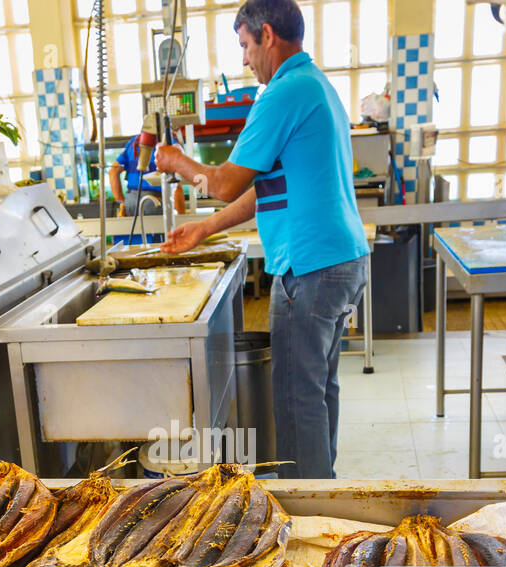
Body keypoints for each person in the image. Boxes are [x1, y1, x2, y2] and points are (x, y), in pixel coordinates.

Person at [156, 0, 368, 480]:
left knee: (296, 394)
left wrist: (177, 162)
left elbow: (226, 182)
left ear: (267, 35)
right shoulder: (316, 85)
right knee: (318, 388)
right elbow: (264, 189)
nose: (245, 60)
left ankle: (306, 500)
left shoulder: (282, 92)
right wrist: (204, 228)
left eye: (246, 46)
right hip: (342, 260)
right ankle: (321, 486)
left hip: (309, 266)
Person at [108, 135, 186, 221]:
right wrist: (181, 219)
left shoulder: (133, 142)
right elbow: (176, 184)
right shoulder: (169, 143)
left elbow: (113, 171)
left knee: (136, 233)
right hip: (155, 202)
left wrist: (122, 202)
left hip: (130, 202)